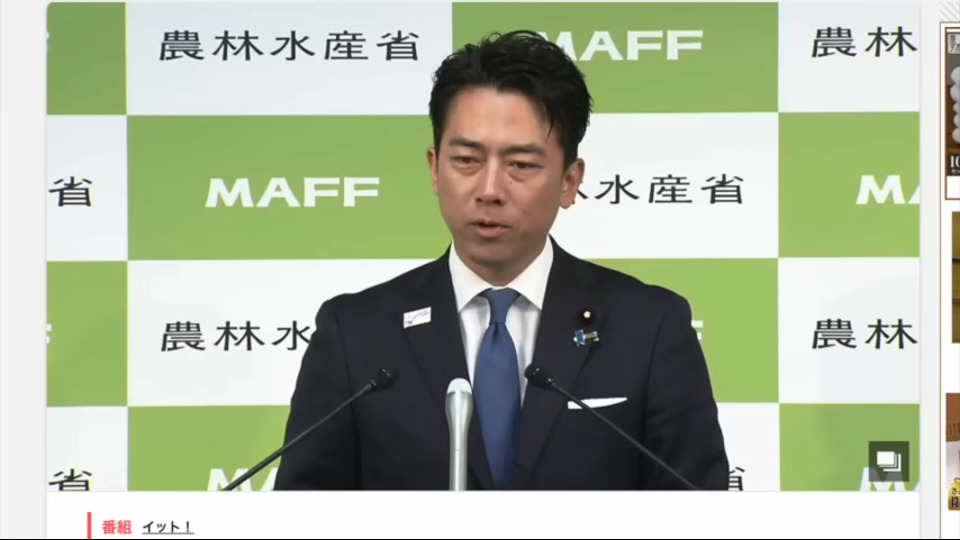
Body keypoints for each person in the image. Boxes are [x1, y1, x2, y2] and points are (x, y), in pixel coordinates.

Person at [274, 30, 729, 491]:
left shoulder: (649, 328)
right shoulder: (355, 335)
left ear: (570, 181)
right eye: (467, 160)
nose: (489, 190)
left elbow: (699, 507)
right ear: (434, 169)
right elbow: (300, 511)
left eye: (521, 165)